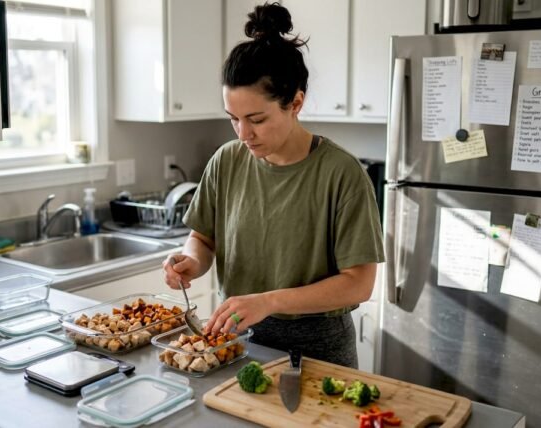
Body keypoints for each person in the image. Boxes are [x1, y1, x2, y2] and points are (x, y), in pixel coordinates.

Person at [162, 2, 384, 368]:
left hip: (319, 354)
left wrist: (269, 301)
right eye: (233, 118)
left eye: (257, 119)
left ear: (296, 102)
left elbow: (358, 283)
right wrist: (191, 261)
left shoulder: (341, 174)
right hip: (233, 346)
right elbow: (203, 237)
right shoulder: (226, 161)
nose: (243, 134)